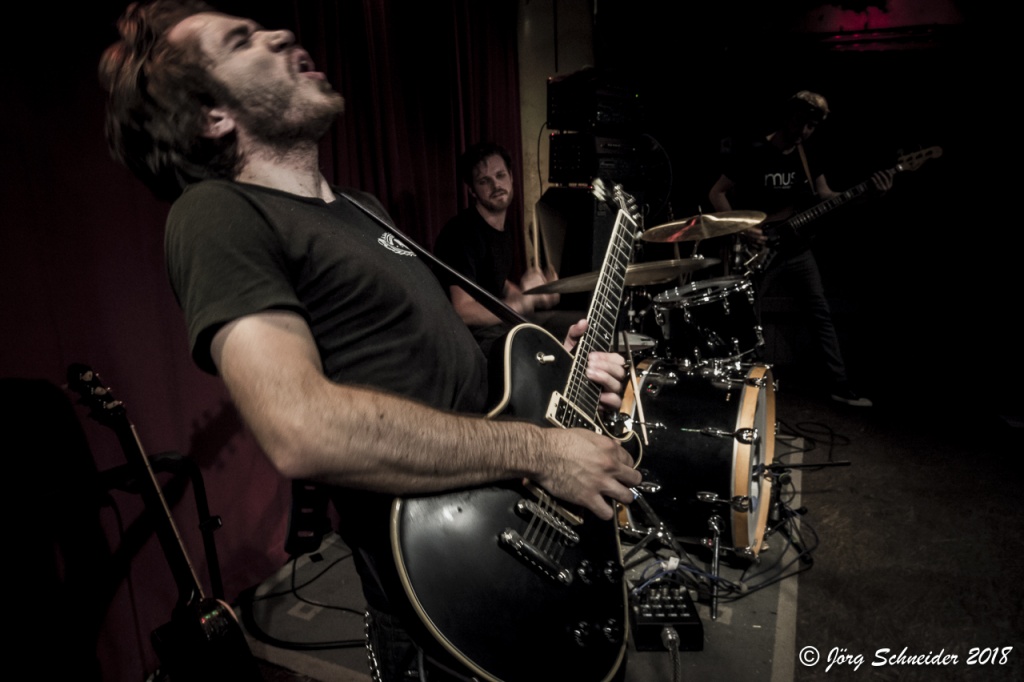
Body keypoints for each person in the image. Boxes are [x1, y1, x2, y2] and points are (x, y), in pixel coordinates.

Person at [99, 2, 641, 680]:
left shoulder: (361, 209)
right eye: (242, 41)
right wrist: (543, 451)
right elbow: (302, 428)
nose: (280, 34)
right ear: (213, 116)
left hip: (510, 523)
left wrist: (555, 376)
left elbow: (448, 363)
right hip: (452, 579)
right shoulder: (216, 213)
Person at [708, 90, 893, 407]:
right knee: (749, 318)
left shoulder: (808, 153)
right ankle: (749, 387)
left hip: (798, 248)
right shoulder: (754, 149)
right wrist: (742, 229)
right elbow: (716, 193)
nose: (804, 131)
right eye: (800, 122)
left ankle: (839, 386)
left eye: (811, 126)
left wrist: (867, 193)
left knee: (820, 313)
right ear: (787, 117)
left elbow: (825, 195)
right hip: (761, 246)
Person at [434, 142, 561, 354]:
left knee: (572, 325)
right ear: (472, 190)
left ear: (511, 177)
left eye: (500, 175)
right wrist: (521, 302)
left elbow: (496, 282)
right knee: (538, 348)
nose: (496, 185)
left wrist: (537, 294)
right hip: (468, 339)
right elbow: (463, 311)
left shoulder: (504, 228)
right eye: (484, 181)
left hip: (495, 327)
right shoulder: (461, 233)